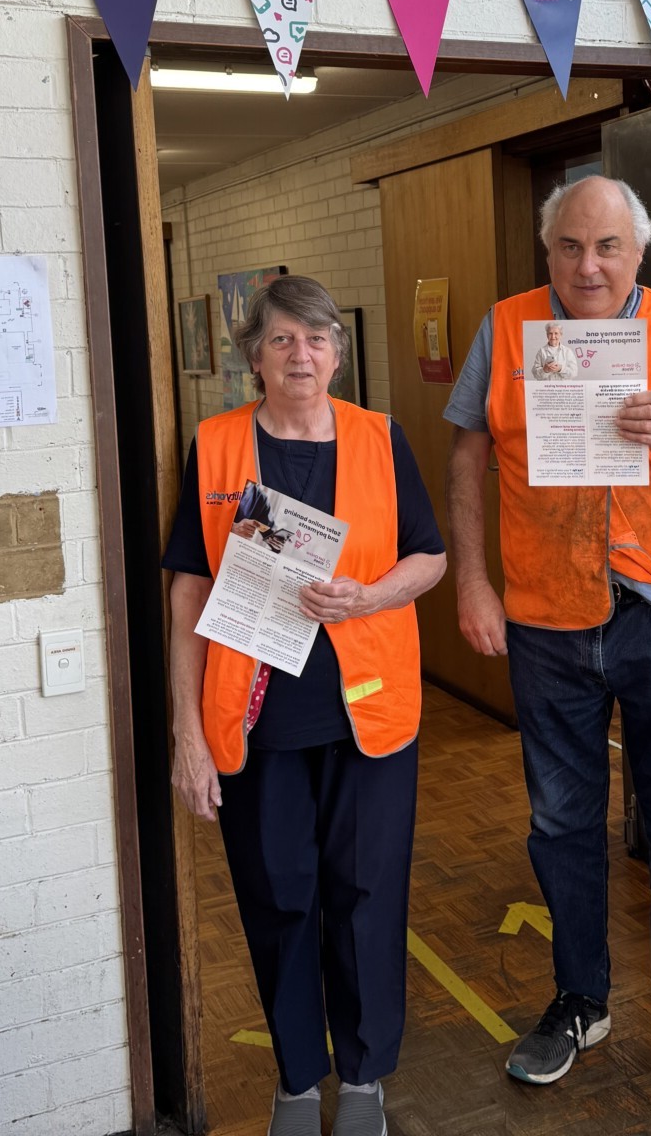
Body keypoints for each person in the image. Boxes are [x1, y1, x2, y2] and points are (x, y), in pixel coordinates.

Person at [443, 175, 651, 1118]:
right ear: (548, 252)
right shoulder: (506, 329)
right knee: (560, 824)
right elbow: (466, 451)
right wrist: (470, 581)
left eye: (608, 246)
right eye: (570, 246)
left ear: (638, 251)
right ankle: (580, 1001)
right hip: (545, 615)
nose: (589, 264)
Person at [164, 275, 447, 1136]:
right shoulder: (215, 445)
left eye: (317, 339)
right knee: (278, 897)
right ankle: (296, 1080)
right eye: (283, 340)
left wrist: (370, 596)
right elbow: (187, 593)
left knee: (366, 898)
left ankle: (361, 1083)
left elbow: (429, 558)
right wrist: (184, 733)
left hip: (370, 716)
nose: (302, 355)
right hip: (255, 723)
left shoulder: (378, 437)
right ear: (254, 356)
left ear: (337, 352)